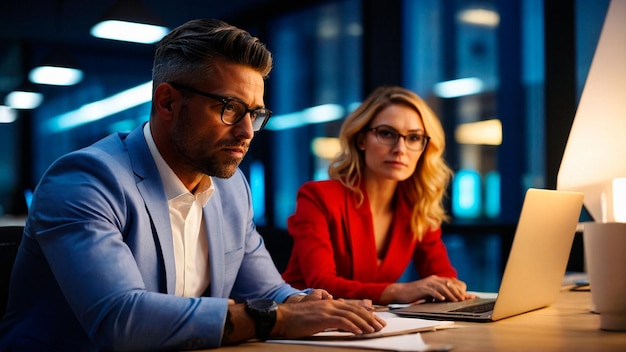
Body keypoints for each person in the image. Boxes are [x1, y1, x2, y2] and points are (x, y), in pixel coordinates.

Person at [0, 19, 385, 351]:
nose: (248, 131)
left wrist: (310, 303)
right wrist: (278, 318)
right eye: (230, 108)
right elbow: (119, 319)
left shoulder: (232, 189)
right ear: (167, 102)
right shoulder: (85, 180)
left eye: (255, 113)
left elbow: (268, 294)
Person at [282, 86, 477, 305]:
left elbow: (443, 275)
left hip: (371, 326)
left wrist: (451, 288)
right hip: (302, 325)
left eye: (414, 138)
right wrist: (398, 292)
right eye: (386, 133)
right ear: (361, 140)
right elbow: (321, 284)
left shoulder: (416, 204)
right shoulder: (318, 197)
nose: (400, 149)